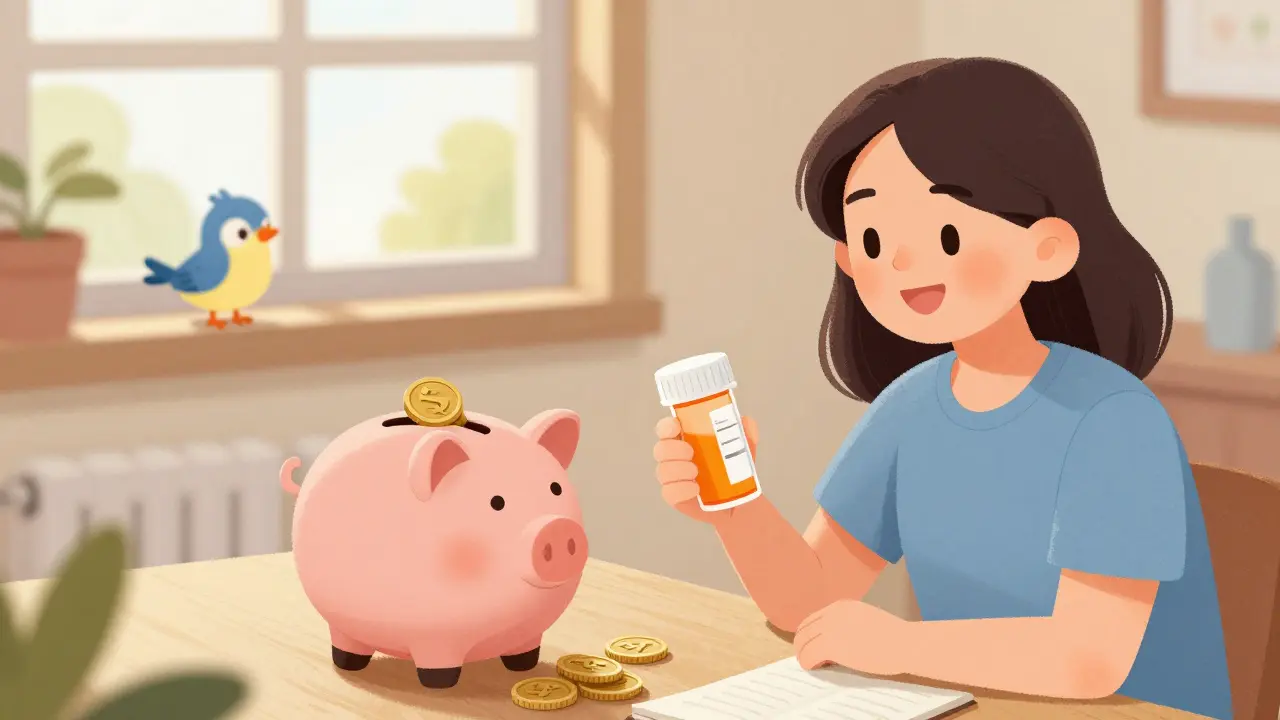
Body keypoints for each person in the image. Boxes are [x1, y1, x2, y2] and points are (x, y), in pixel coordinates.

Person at [651, 57, 1232, 719]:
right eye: (871, 236)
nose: (899, 261)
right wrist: (733, 505)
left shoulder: (1115, 421)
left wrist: (900, 644)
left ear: (1046, 246)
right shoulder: (909, 409)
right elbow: (807, 600)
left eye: (946, 231)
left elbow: (1088, 658)